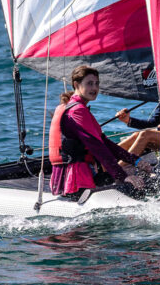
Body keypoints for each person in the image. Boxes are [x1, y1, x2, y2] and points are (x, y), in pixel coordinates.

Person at [49, 65, 150, 196]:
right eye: (89, 84)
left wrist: (136, 161)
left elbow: (105, 142)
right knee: (139, 184)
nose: (94, 88)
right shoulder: (77, 111)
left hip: (69, 176)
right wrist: (122, 176)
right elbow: (97, 147)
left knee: (134, 174)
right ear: (76, 84)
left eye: (97, 84)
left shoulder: (71, 107)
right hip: (76, 179)